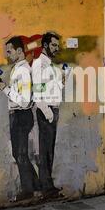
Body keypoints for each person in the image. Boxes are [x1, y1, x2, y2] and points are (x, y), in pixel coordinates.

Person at [0, 36, 40, 201]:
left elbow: (25, 100)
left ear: (20, 51)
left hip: (21, 115)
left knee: (19, 153)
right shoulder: (17, 69)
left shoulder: (23, 71)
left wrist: (5, 89)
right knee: (20, 153)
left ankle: (28, 190)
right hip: (18, 115)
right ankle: (36, 186)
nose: (7, 54)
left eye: (9, 51)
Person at [32, 32, 63, 198]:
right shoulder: (40, 65)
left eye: (57, 46)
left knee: (49, 149)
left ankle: (48, 185)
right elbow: (38, 93)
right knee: (45, 150)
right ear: (45, 45)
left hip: (52, 110)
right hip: (47, 111)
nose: (56, 48)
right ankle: (46, 187)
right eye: (53, 45)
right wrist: (48, 113)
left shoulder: (50, 65)